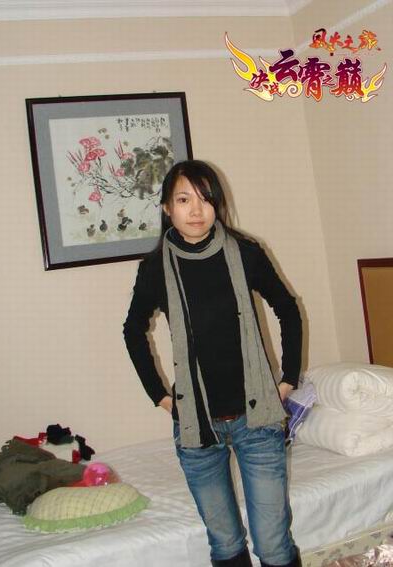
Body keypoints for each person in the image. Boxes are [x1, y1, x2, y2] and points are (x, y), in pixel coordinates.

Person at [123, 160, 302, 567]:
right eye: (184, 199)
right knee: (225, 545)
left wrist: (288, 379)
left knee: (273, 545)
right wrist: (161, 397)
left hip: (257, 421)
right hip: (196, 425)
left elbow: (287, 308)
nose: (196, 210)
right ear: (167, 207)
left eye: (205, 199)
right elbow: (132, 330)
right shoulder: (155, 268)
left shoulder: (245, 253)